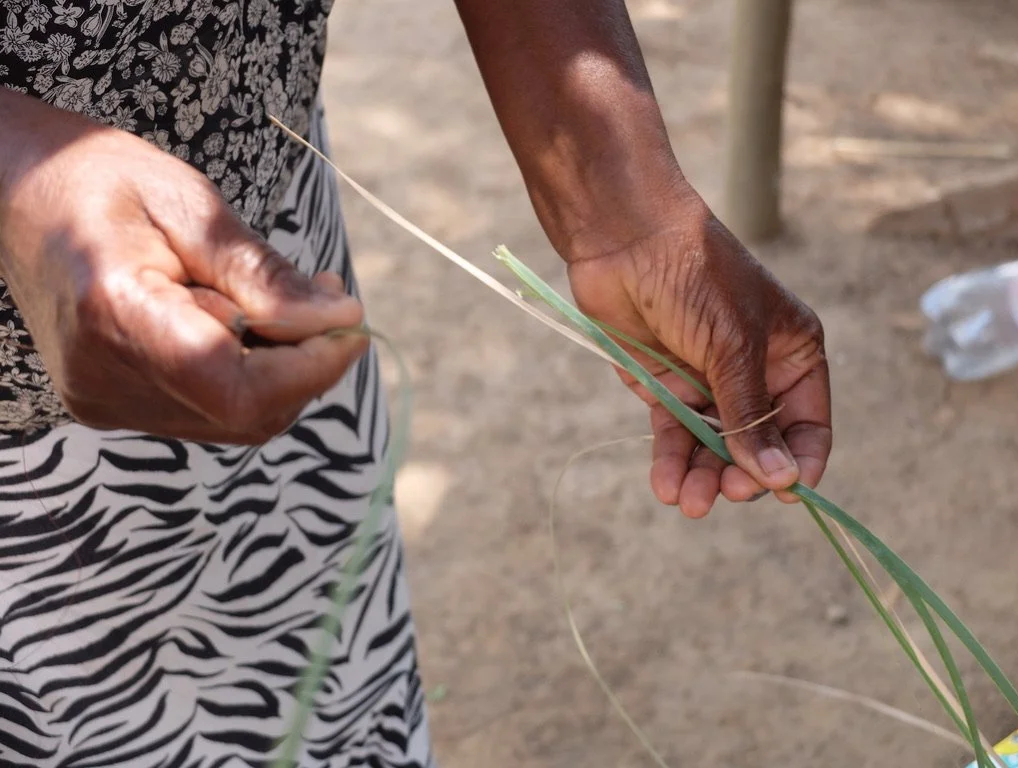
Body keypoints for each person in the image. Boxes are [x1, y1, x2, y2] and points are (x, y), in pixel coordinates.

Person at [0, 1, 831, 766]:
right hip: (40, 380)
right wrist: (21, 176)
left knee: (313, 703)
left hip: (251, 243)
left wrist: (624, 198)